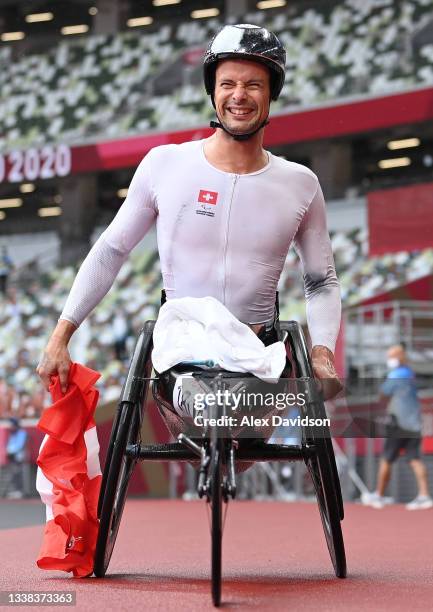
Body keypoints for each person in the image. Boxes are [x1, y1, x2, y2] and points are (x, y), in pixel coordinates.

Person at [37, 25, 342, 432]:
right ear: (212, 90)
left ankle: (229, 411)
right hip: (181, 357)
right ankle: (212, 407)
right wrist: (61, 336)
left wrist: (322, 354)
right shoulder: (165, 165)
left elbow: (321, 282)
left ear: (272, 94)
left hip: (260, 352)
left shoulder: (301, 184)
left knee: (238, 419)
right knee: (211, 408)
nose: (239, 95)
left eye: (253, 84)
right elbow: (111, 250)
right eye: (228, 83)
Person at [365, 345, 433, 510]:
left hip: (399, 424)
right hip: (414, 423)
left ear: (401, 357)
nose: (390, 359)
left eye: (392, 356)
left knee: (386, 459)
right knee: (415, 459)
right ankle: (424, 496)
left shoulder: (396, 374)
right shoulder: (409, 373)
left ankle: (379, 496)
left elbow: (383, 394)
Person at [4, 417, 28, 499]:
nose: (11, 427)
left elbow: (20, 445)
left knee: (18, 474)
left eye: (13, 425)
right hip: (12, 457)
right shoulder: (12, 434)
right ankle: (15, 490)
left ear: (16, 425)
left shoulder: (22, 433)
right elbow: (9, 445)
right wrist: (8, 452)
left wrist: (11, 452)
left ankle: (20, 491)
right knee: (13, 474)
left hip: (18, 458)